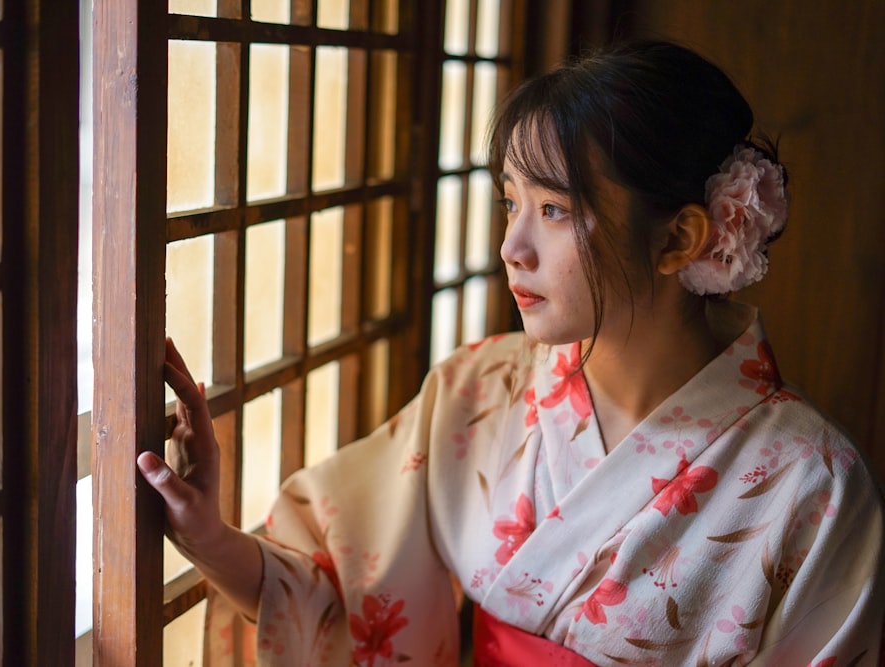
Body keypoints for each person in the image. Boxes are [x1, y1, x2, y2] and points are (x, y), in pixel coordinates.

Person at [137, 40, 885, 665]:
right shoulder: (480, 389)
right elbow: (344, 595)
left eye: (554, 209)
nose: (511, 247)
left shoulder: (812, 485)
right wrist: (210, 538)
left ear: (680, 237)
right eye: (510, 202)